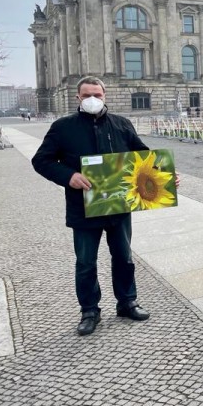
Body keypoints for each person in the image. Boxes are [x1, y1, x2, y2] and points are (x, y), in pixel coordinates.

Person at [32, 76, 154, 336]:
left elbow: (142, 156)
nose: (92, 100)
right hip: (83, 207)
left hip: (119, 206)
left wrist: (164, 176)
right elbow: (41, 160)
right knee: (86, 262)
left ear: (104, 96)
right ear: (78, 98)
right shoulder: (63, 127)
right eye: (87, 95)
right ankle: (89, 310)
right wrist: (69, 176)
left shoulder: (121, 124)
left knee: (124, 257)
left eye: (97, 95)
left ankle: (127, 301)